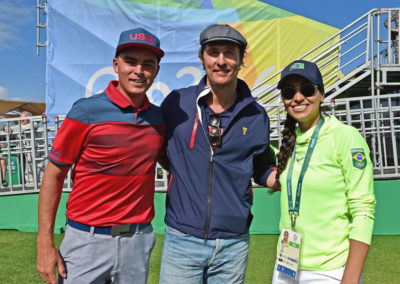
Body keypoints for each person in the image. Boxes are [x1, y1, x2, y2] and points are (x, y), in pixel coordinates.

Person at [36, 27, 165, 284]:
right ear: (116, 65)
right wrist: (44, 243)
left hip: (136, 242)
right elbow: (53, 175)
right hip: (86, 241)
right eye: (131, 61)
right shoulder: (85, 112)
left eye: (148, 64)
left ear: (156, 71)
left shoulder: (159, 118)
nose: (139, 70)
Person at [159, 24, 276, 283]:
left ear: (240, 60)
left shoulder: (256, 115)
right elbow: (163, 152)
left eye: (229, 53)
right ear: (202, 59)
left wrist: (282, 178)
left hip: (233, 244)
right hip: (182, 238)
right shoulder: (177, 104)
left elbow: (260, 166)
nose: (221, 61)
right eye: (214, 52)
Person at [271, 60, 376, 283]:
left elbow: (363, 210)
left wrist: (350, 278)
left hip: (329, 271)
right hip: (286, 267)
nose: (297, 98)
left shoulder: (345, 137)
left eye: (307, 89)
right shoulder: (288, 143)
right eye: (289, 92)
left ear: (322, 94)